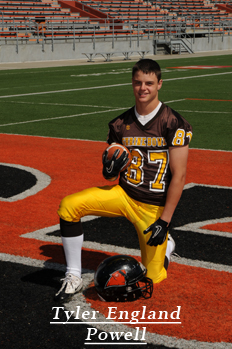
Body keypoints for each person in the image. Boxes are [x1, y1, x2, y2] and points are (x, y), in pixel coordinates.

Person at [55, 59, 193, 301]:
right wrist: (109, 168)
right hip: (125, 194)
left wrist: (164, 221)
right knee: (69, 206)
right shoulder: (120, 124)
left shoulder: (173, 122)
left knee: (150, 279)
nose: (143, 88)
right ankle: (73, 274)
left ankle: (167, 249)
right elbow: (110, 173)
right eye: (138, 83)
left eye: (149, 83)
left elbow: (179, 176)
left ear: (159, 84)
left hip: (153, 205)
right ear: (132, 84)